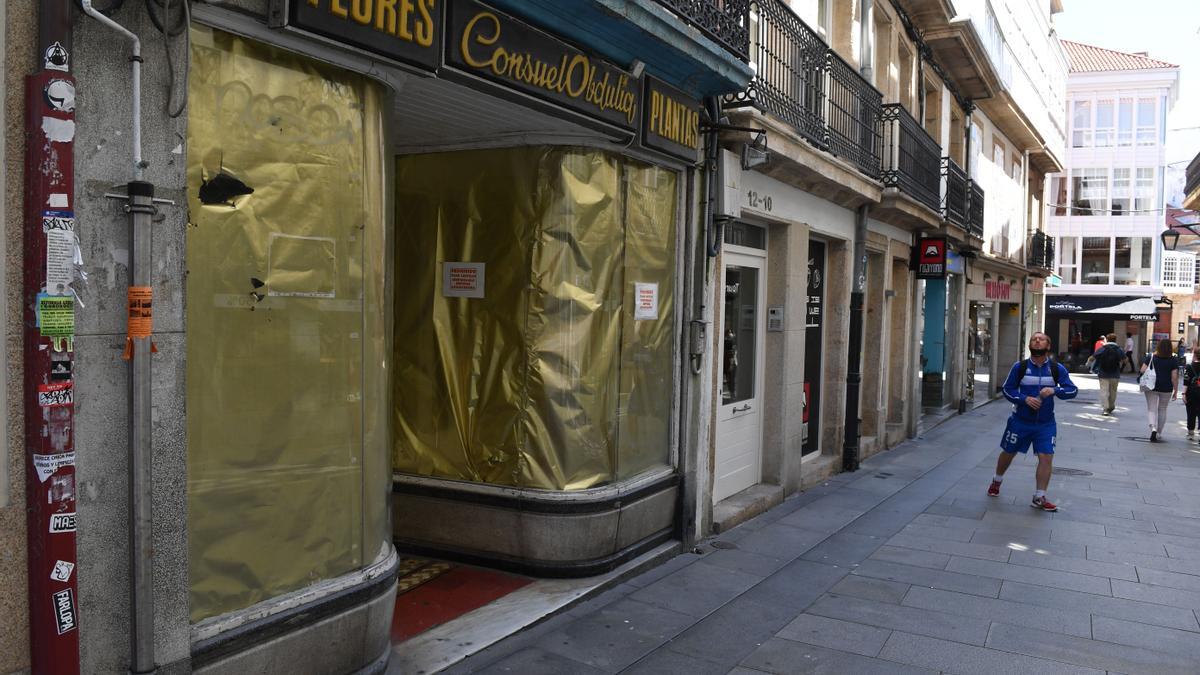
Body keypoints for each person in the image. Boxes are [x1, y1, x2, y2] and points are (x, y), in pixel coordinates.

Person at [988, 332, 1078, 511]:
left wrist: (1054, 391)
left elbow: (1072, 390)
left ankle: (1039, 496)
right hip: (1020, 421)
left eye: (1041, 338)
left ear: (1048, 345)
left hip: (1045, 424)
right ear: (1030, 345)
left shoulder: (1056, 369)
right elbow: (1007, 390)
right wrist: (1024, 399)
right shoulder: (1019, 367)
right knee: (1008, 453)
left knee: (1046, 457)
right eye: (1034, 339)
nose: (1037, 340)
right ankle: (997, 480)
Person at [1140, 338, 1180, 442]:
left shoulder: (1151, 356)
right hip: (1166, 388)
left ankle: (1153, 428)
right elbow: (1174, 377)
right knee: (1162, 409)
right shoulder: (1173, 360)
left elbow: (1142, 370)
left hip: (1151, 386)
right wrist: (1176, 390)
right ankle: (1159, 432)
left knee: (1151, 409)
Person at [1094, 333, 1124, 415]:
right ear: (1115, 340)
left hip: (1103, 373)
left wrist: (1089, 364)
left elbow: (1094, 356)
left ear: (1107, 339)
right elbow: (1125, 359)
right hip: (1115, 374)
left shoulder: (1103, 348)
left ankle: (1105, 409)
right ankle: (1111, 406)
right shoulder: (1118, 349)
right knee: (1113, 391)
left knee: (1104, 391)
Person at [1184, 347, 1200, 440]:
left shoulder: (1189, 367)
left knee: (1191, 412)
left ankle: (1190, 432)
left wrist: (1183, 394)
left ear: (1194, 355)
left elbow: (1186, 382)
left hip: (1191, 393)